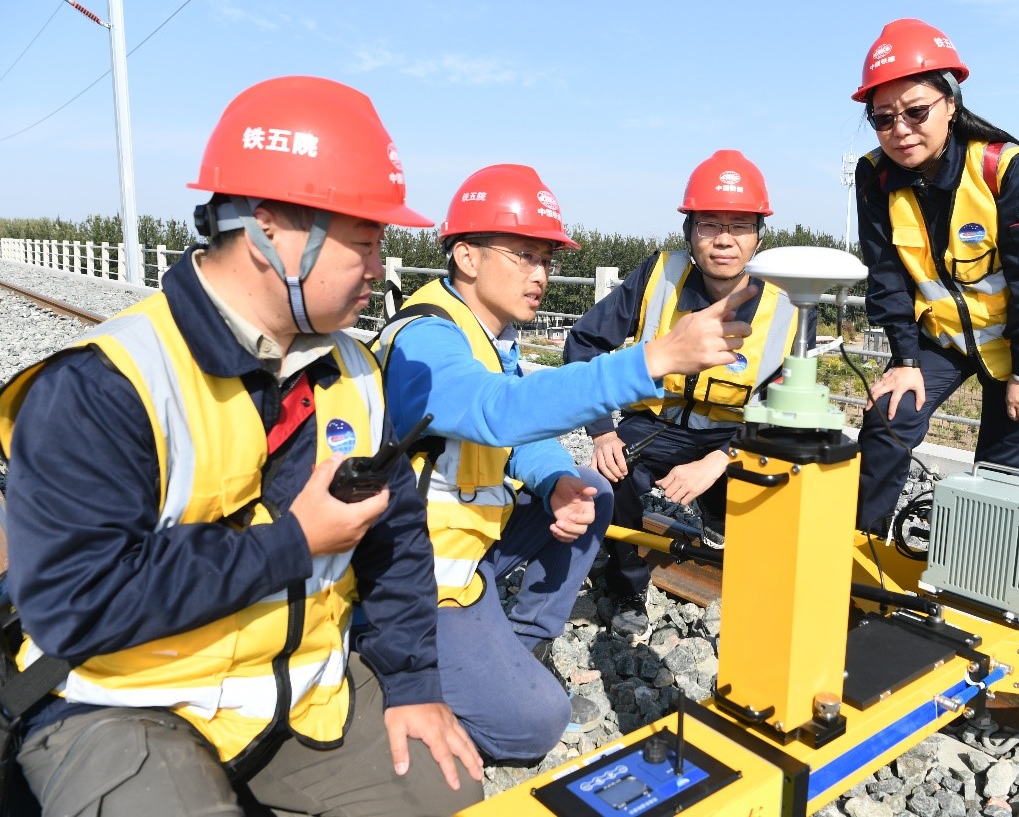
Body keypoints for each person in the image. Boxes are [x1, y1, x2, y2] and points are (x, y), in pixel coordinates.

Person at [0, 76, 485, 816]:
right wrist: (292, 544)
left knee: (449, 792)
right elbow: (75, 602)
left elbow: (397, 540)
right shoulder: (105, 385)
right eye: (365, 241)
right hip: (124, 703)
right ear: (269, 232)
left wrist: (413, 683)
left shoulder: (354, 370)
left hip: (300, 696)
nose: (380, 268)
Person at [374, 163, 755, 761]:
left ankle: (518, 644)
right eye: (524, 255)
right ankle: (390, 677)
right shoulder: (426, 339)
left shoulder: (488, 331)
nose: (541, 275)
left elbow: (516, 432)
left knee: (588, 490)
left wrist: (554, 479)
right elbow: (496, 410)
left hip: (466, 545)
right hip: (417, 575)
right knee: (535, 724)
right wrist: (651, 360)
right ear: (466, 256)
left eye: (547, 259)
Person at [850, 19, 1019, 537]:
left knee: (1001, 472)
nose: (900, 130)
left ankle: (973, 574)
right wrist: (904, 361)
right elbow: (886, 276)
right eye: (883, 118)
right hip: (946, 335)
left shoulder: (1007, 169)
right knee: (889, 416)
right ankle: (860, 549)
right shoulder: (875, 176)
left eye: (916, 111)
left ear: (951, 104)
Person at [563, 149, 803, 639]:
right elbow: (584, 343)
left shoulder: (789, 305)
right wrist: (602, 431)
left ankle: (724, 518)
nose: (724, 239)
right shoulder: (659, 278)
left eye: (739, 226)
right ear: (689, 231)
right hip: (656, 426)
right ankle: (626, 584)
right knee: (612, 474)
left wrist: (719, 460)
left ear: (759, 236)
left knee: (781, 481)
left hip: (735, 436)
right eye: (709, 224)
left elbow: (786, 411)